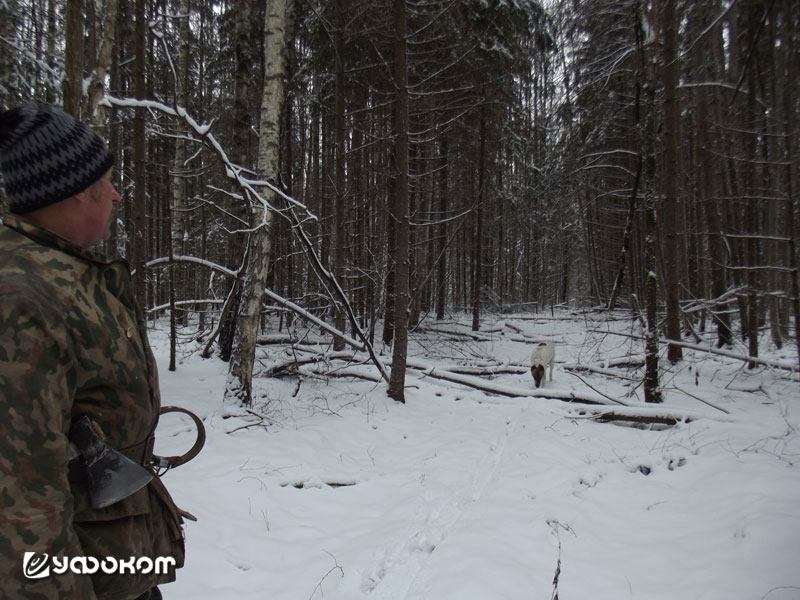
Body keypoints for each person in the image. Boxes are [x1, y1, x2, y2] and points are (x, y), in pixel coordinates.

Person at [0, 102, 186, 600]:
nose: (117, 194)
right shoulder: (23, 298)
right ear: (80, 193)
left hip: (113, 566)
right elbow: (20, 496)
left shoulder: (65, 274)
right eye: (107, 183)